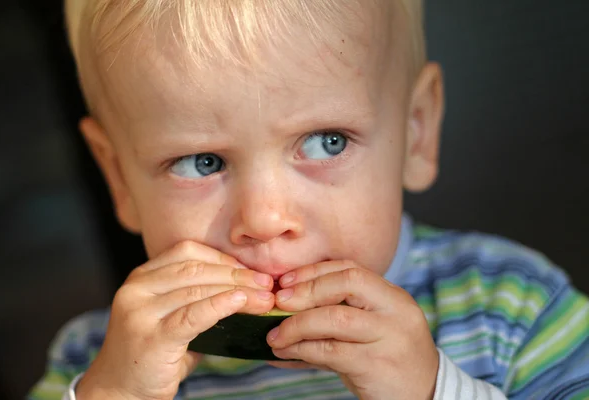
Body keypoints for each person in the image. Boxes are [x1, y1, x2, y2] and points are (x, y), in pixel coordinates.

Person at [29, 0, 589, 399]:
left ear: (415, 131)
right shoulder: (96, 359)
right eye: (202, 162)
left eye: (327, 142)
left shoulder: (514, 308)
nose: (266, 220)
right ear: (120, 178)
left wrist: (435, 391)